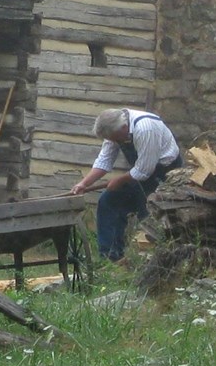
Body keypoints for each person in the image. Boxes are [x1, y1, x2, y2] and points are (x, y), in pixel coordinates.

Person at [69, 107, 181, 261]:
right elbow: (104, 161)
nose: (116, 142)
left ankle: (155, 260)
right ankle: (109, 257)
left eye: (116, 139)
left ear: (124, 128)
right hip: (140, 172)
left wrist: (119, 180)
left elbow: (144, 170)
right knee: (108, 201)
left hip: (163, 173)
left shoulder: (145, 128)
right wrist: (84, 183)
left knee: (149, 213)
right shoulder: (114, 130)